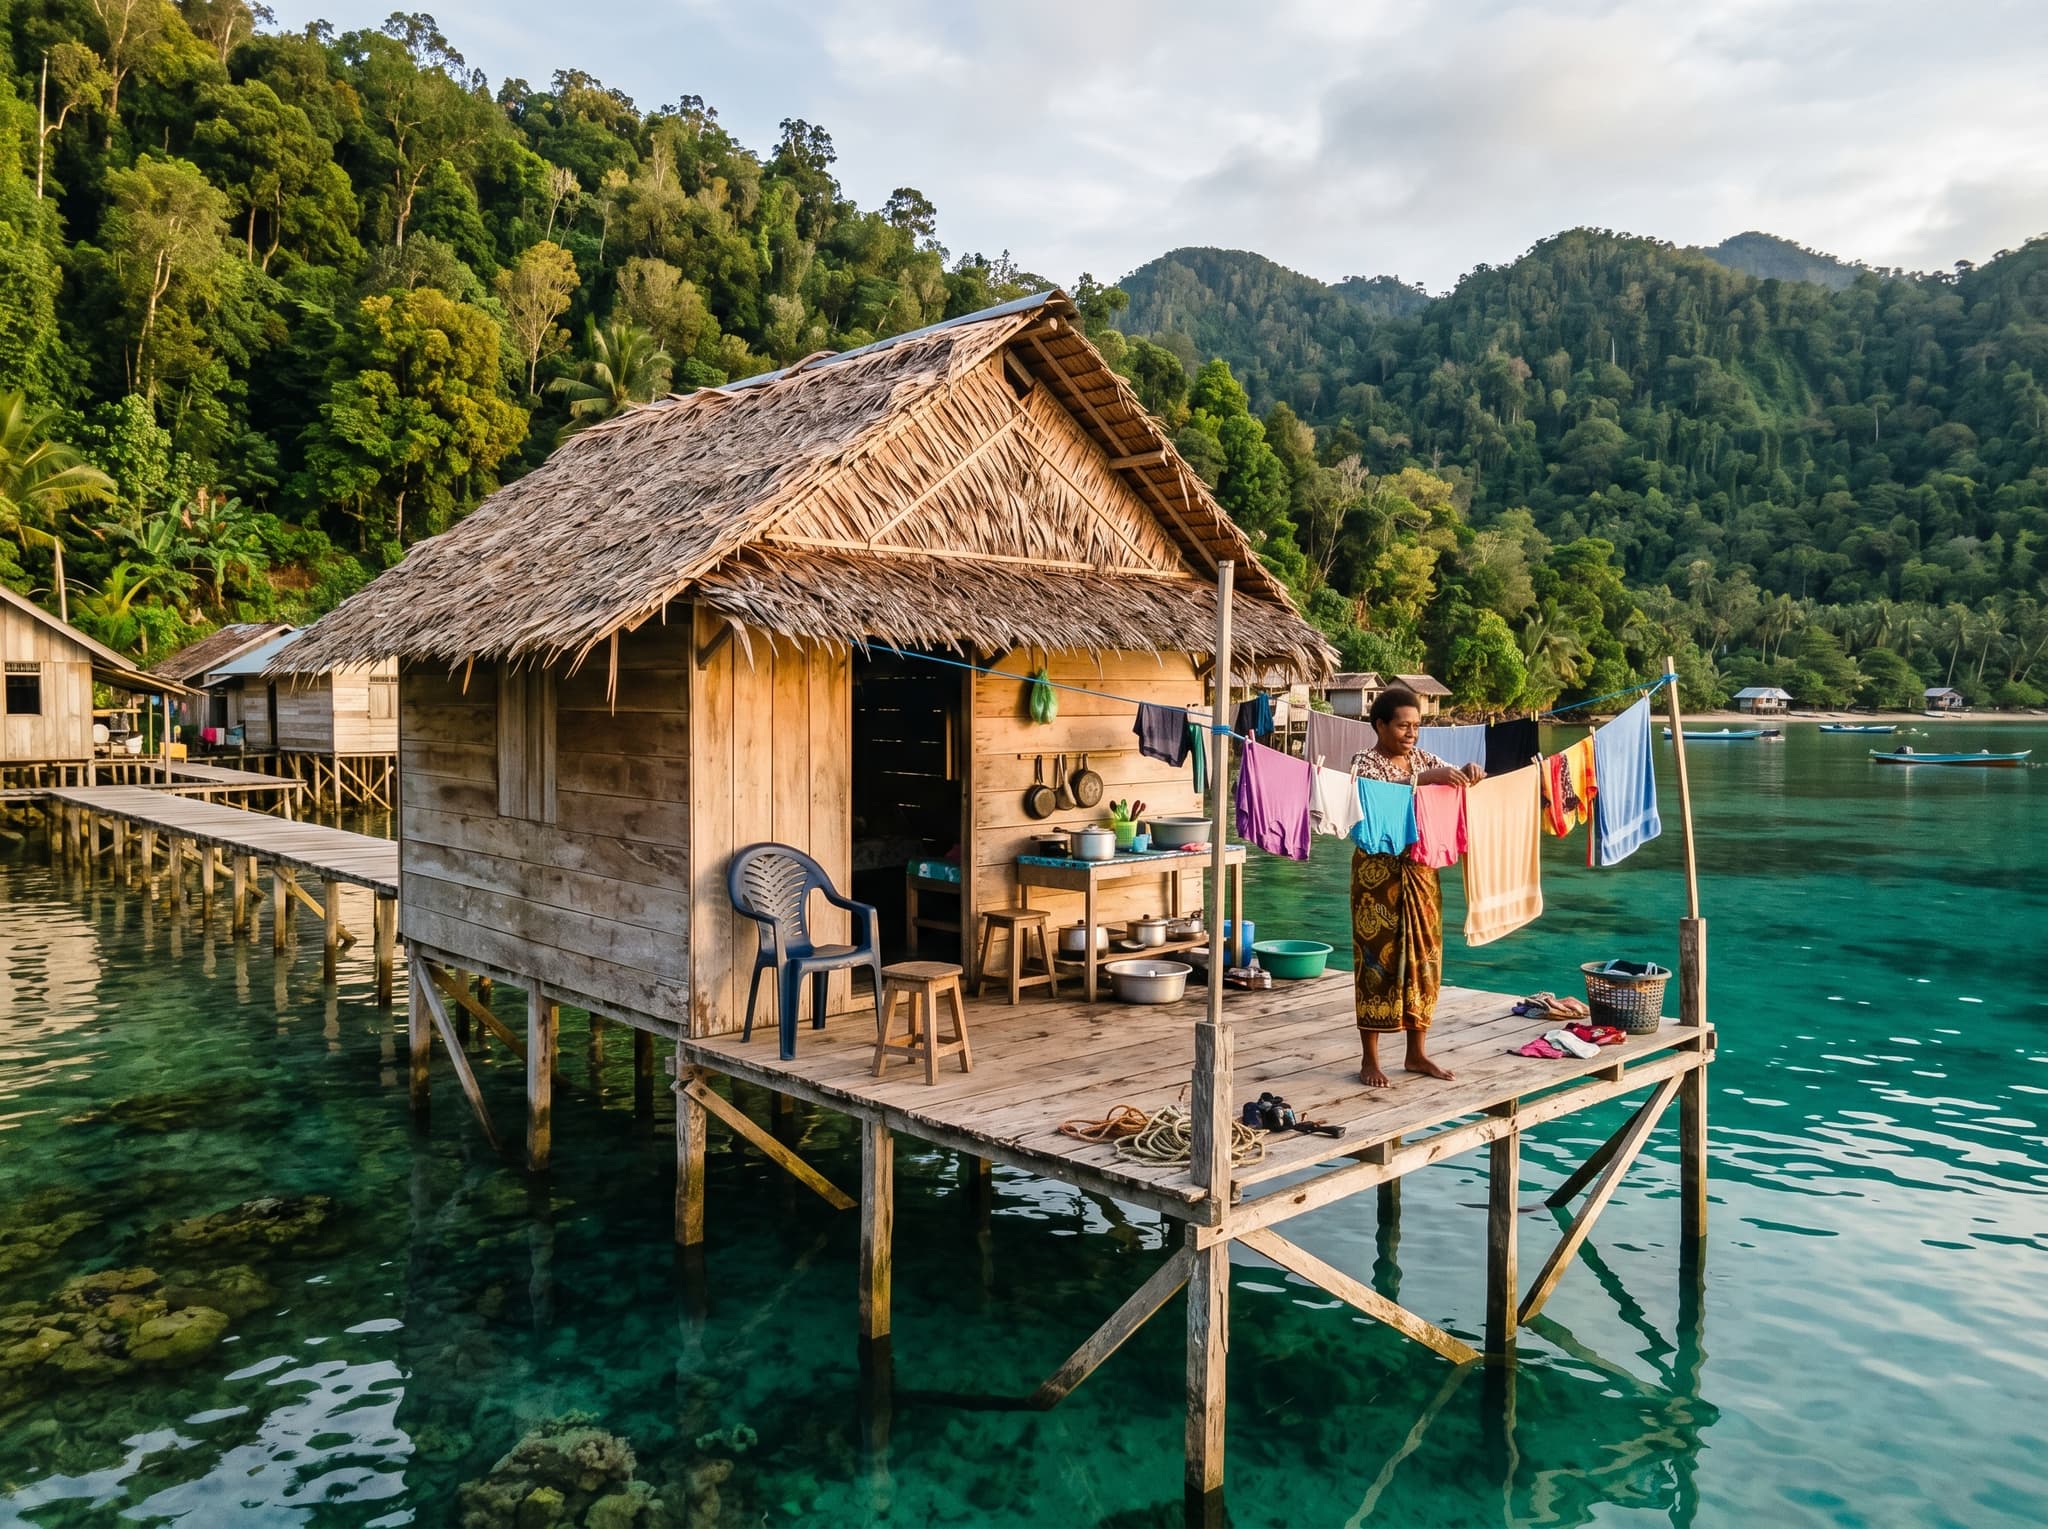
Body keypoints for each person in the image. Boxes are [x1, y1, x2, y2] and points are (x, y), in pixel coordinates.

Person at [1350, 688, 1483, 1087]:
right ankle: (1369, 1059)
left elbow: (1450, 776)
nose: (1411, 734)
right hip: (1378, 875)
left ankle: (1416, 1054)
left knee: (1424, 960)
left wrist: (1469, 772)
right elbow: (1375, 791)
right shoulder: (1365, 761)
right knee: (1377, 961)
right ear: (1380, 725)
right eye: (1403, 725)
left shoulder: (1423, 758)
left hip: (1422, 870)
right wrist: (1425, 780)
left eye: (1417, 727)